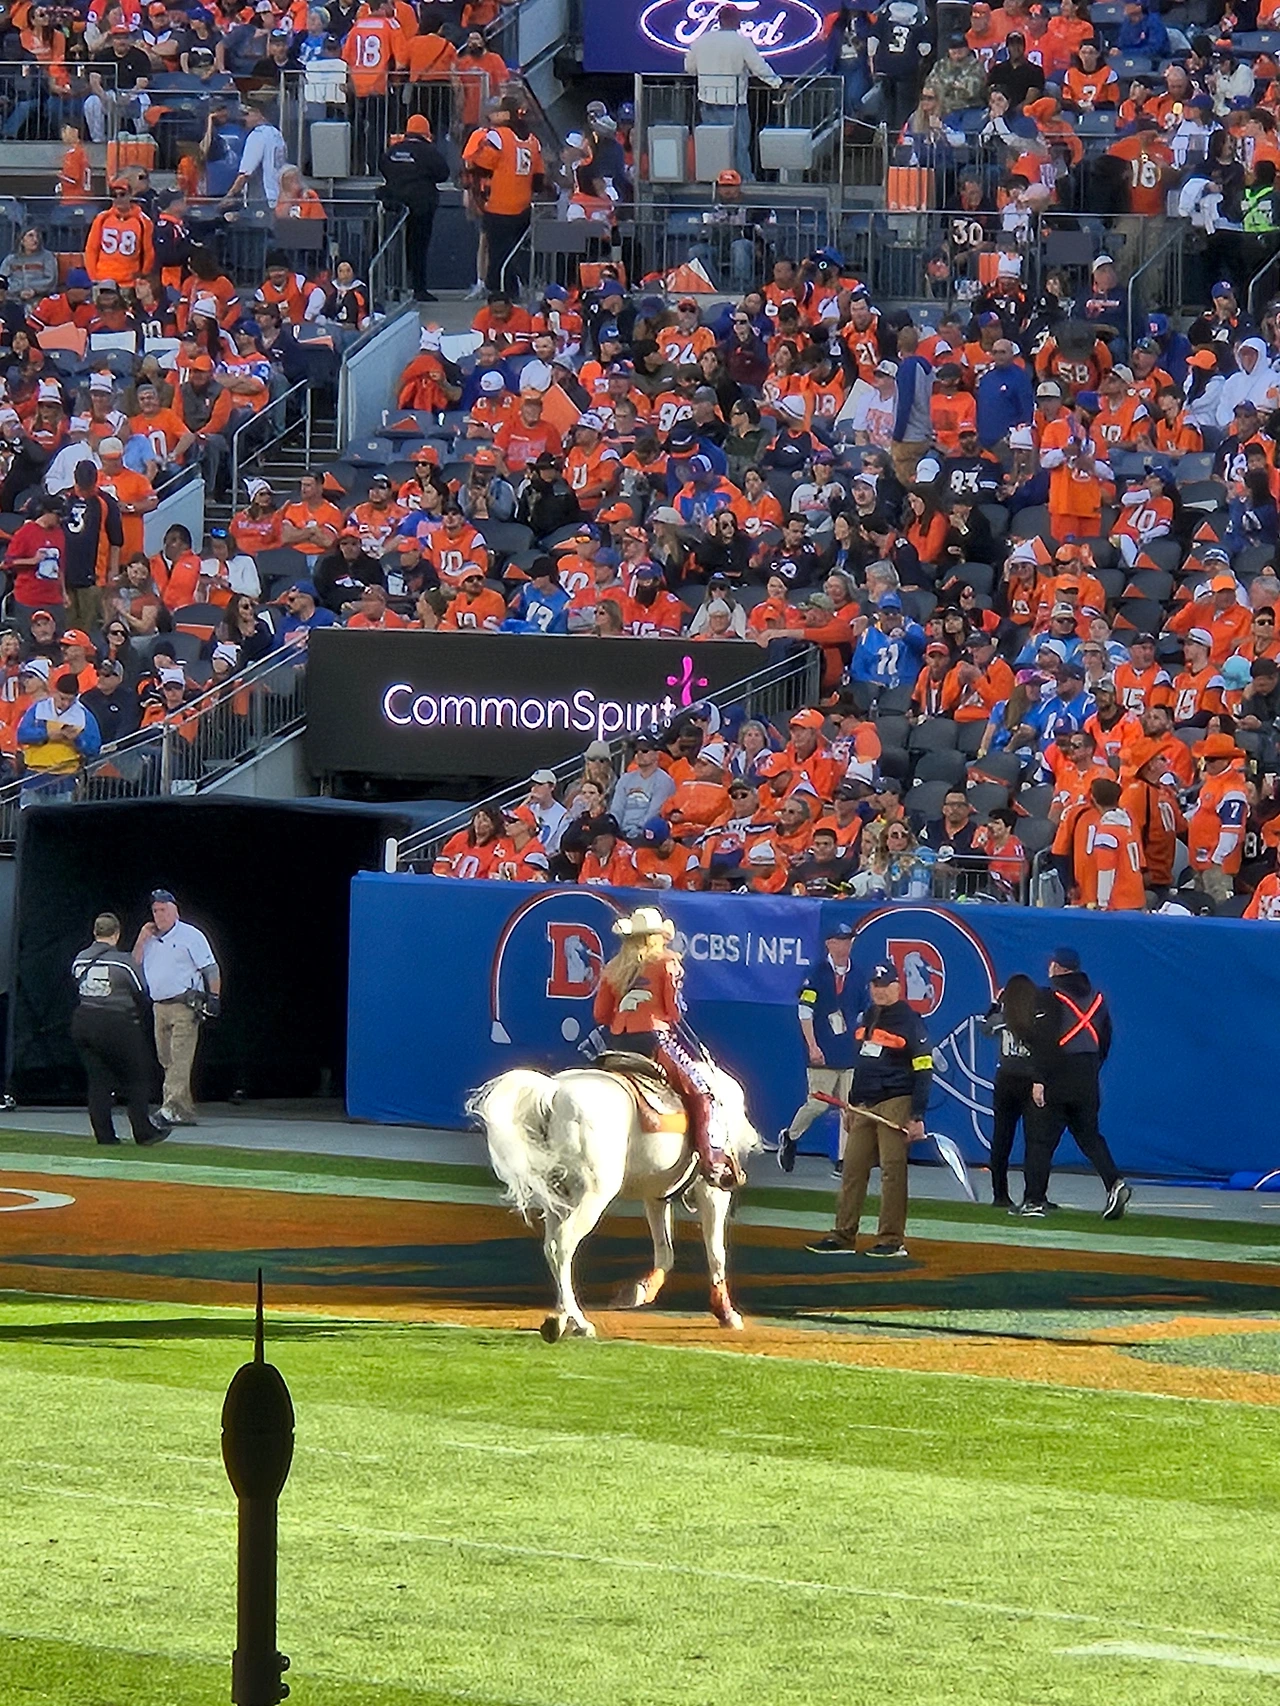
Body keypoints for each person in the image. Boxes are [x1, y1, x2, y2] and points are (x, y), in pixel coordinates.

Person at [591, 904, 743, 1188]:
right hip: (654, 1039)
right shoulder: (667, 962)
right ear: (657, 936)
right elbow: (674, 1010)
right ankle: (712, 1158)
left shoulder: (612, 968)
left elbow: (600, 1015)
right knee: (702, 1090)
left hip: (618, 1042)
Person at [808, 962, 932, 1258]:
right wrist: (852, 1104)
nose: (879, 991)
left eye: (885, 985)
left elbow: (924, 1069)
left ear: (898, 987)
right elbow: (862, 1064)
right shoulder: (868, 1017)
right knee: (852, 1168)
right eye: (875, 985)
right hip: (864, 1104)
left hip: (895, 1100)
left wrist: (917, 1115)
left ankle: (891, 1239)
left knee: (892, 1171)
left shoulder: (910, 1021)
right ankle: (843, 1235)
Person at [1022, 948, 1129, 1220]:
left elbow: (1044, 1041)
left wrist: (1039, 1078)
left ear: (1057, 967)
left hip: (1057, 1075)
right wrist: (1092, 1066)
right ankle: (1114, 1182)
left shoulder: (1049, 996)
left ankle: (1034, 1200)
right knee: (1089, 1136)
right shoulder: (1097, 998)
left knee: (1040, 1140)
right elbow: (1105, 1039)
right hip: (1087, 1075)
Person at [71, 911, 170, 1147]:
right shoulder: (122, 962)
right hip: (116, 1022)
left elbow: (77, 983)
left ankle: (104, 1134)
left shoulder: (80, 959)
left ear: (95, 932)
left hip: (83, 1020)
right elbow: (141, 990)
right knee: (137, 1076)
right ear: (116, 934)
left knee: (99, 1080)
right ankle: (143, 1131)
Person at [133, 888, 221, 1126]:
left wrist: (214, 996)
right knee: (166, 1058)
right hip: (159, 1005)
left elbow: (210, 968)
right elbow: (135, 963)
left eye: (163, 910)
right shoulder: (150, 938)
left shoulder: (191, 935)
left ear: (175, 912)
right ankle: (183, 1110)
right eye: (155, 911)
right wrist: (141, 939)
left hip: (184, 1004)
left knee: (180, 1056)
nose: (158, 915)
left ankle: (170, 1108)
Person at [777, 919, 858, 1175]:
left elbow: (865, 1011)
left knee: (849, 1108)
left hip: (850, 1052)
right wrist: (812, 1046)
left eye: (849, 941)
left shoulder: (858, 975)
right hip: (823, 1051)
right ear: (829, 944)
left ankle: (843, 1160)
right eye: (840, 941)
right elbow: (805, 1011)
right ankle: (791, 1136)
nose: (845, 946)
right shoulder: (816, 974)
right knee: (818, 1104)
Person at [683, 2, 782, 184]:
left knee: (713, 147)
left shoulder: (701, 41)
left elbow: (689, 68)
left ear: (719, 20)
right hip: (734, 105)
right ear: (736, 20)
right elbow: (759, 68)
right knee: (739, 148)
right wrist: (778, 84)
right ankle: (745, 184)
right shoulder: (742, 42)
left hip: (707, 102)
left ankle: (714, 183)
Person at [979, 973, 1038, 1208]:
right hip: (1031, 1081)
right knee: (1034, 1141)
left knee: (1001, 1139)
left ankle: (1000, 1194)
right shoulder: (1036, 1018)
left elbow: (985, 1028)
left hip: (1006, 1080)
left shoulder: (1003, 1018)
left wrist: (995, 1004)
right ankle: (1033, 1194)